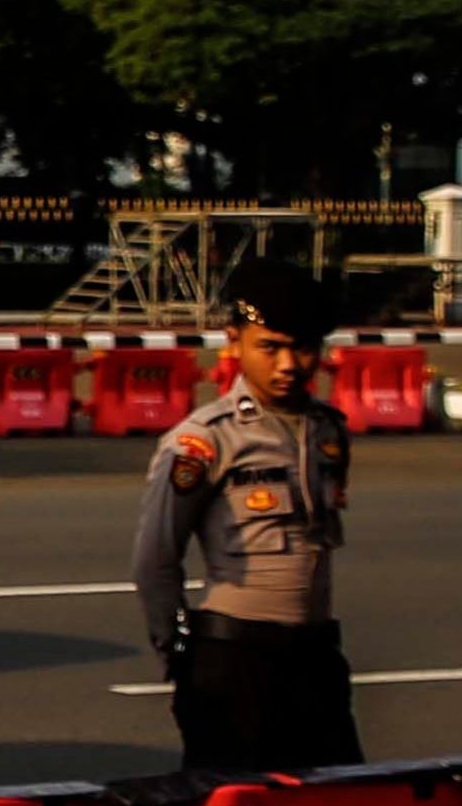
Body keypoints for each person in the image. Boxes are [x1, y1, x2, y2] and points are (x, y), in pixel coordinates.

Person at [130, 260, 362, 773]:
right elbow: (155, 559)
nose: (288, 365)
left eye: (302, 348)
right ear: (234, 342)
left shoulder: (327, 432)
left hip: (316, 658)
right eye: (270, 347)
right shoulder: (206, 439)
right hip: (235, 661)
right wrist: (182, 656)